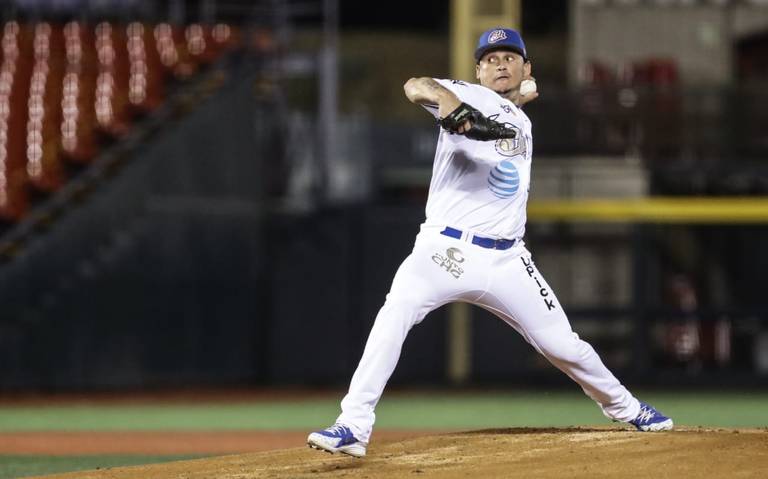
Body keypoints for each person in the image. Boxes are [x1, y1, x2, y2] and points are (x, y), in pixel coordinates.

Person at [307, 27, 673, 458]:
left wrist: (516, 97)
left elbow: (510, 106)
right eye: (490, 58)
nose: (500, 63)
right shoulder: (469, 96)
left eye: (510, 57)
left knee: (562, 345)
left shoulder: (516, 114)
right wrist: (451, 106)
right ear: (477, 71)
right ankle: (353, 425)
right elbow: (415, 86)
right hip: (445, 251)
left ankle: (627, 408)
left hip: (508, 259)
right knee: (395, 316)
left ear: (526, 67)